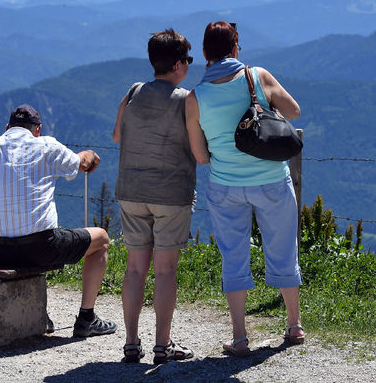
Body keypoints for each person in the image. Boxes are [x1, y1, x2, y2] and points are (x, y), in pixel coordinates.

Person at [185, 21, 306, 356]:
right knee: (282, 248)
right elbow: (294, 111)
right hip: (271, 180)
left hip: (225, 186)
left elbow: (201, 156)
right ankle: (294, 323)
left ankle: (239, 336)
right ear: (236, 48)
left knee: (233, 256)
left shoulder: (195, 98)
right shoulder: (258, 77)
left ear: (205, 53)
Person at [0, 104, 116, 338]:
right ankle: (87, 318)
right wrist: (89, 155)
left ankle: (36, 314)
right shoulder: (47, 145)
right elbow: (80, 163)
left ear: (7, 127)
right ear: (37, 129)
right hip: (40, 247)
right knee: (102, 239)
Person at [112, 29, 196, 364]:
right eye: (188, 60)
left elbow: (117, 134)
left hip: (130, 190)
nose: (189, 65)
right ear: (177, 64)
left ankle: (131, 342)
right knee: (165, 271)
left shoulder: (133, 91)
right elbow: (197, 147)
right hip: (171, 194)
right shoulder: (186, 99)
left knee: (134, 269)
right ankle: (162, 346)